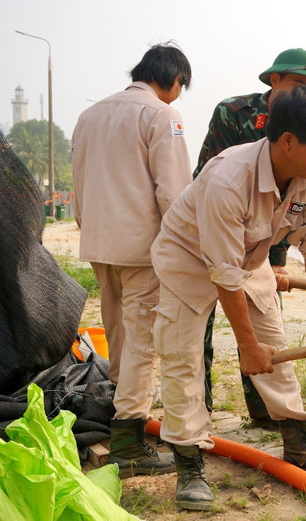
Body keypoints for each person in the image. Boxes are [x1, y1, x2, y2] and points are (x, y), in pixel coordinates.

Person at [151, 85, 306, 510]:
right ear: (288, 142)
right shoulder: (228, 178)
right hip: (188, 259)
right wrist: (246, 346)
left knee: (274, 347)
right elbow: (222, 272)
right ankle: (189, 461)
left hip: (249, 257)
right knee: (182, 357)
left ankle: (300, 445)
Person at [71, 43, 192, 478]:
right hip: (143, 248)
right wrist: (184, 249)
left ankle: (122, 413)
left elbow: (78, 184)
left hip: (99, 242)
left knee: (118, 331)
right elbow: (174, 193)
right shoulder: (162, 115)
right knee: (142, 341)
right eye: (180, 87)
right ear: (173, 79)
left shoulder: (89, 115)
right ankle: (128, 441)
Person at [195, 48, 306, 429]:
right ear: (275, 80)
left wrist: (277, 260)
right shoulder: (234, 114)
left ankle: (266, 413)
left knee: (267, 331)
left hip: (261, 242)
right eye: (299, 83)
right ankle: (199, 412)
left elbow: (293, 204)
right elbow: (213, 183)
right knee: (195, 332)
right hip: (215, 229)